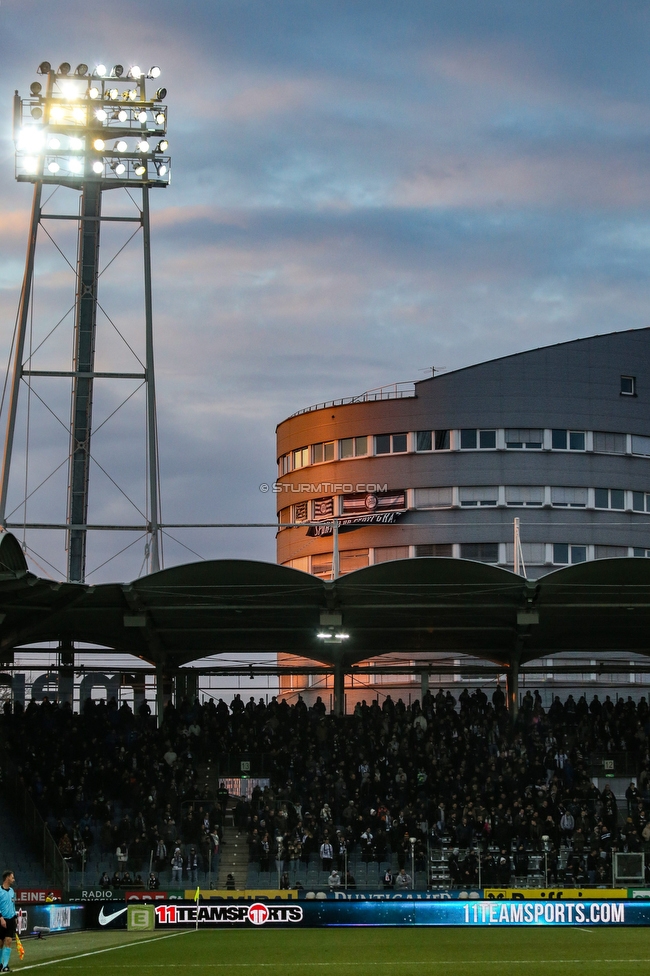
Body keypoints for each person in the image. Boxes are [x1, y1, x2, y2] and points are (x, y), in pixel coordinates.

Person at [0, 870, 17, 973]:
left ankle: (5, 965)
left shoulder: (12, 891)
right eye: (12, 877)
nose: (13, 879)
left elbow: (13, 904)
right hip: (1, 919)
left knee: (9, 941)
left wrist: (15, 917)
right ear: (7, 878)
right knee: (0, 943)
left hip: (10, 919)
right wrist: (1, 918)